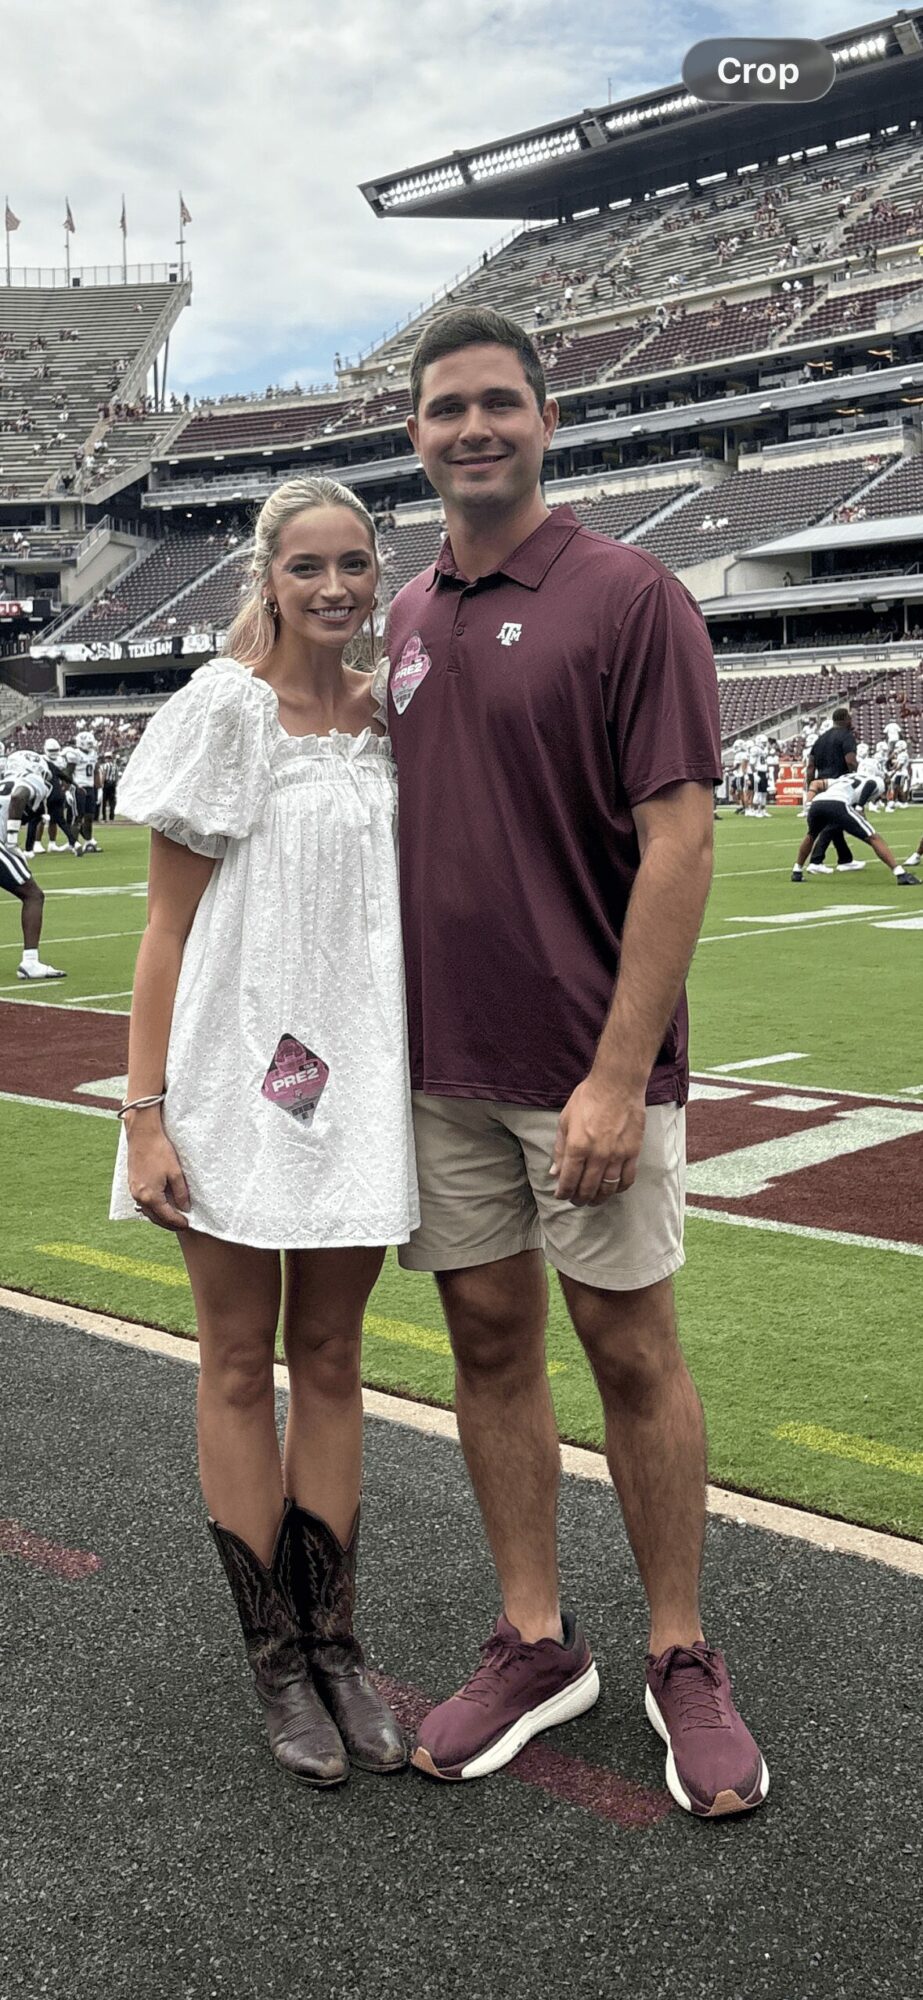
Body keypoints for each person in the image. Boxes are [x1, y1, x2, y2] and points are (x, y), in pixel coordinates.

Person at [384, 305, 768, 1819]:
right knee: (486, 1342)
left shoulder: (630, 594)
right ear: (415, 435)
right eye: (446, 408)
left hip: (583, 1066)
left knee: (628, 1349)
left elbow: (680, 843)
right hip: (440, 1067)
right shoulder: (402, 615)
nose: (472, 428)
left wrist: (616, 1074)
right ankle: (535, 1636)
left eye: (498, 402)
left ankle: (679, 1648)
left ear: (546, 421)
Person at [109, 475, 417, 1787]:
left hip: (360, 1081)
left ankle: (337, 1645)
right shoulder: (224, 711)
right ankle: (276, 1660)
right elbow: (165, 930)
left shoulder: (392, 715)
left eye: (353, 563)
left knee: (333, 1356)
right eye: (308, 567)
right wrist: (144, 1118)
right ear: (267, 576)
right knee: (239, 1361)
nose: (334, 588)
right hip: (235, 1084)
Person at [791, 770, 919, 884]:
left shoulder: (843, 778)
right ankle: (900, 873)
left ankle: (797, 870)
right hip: (838, 804)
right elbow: (870, 784)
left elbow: (815, 783)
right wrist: (860, 807)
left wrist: (808, 803)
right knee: (873, 837)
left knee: (811, 835)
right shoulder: (877, 780)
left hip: (817, 803)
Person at [0, 761, 66, 979]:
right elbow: (18, 796)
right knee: (33, 895)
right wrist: (12, 841)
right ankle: (30, 962)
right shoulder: (30, 779)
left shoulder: (5, 780)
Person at [802, 705, 861, 870]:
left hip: (821, 782)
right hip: (839, 783)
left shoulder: (820, 739)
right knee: (834, 822)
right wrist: (858, 775)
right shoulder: (847, 736)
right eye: (850, 718)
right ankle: (816, 861)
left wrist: (811, 786)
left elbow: (810, 767)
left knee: (834, 822)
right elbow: (850, 761)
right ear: (845, 719)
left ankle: (845, 859)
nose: (851, 721)